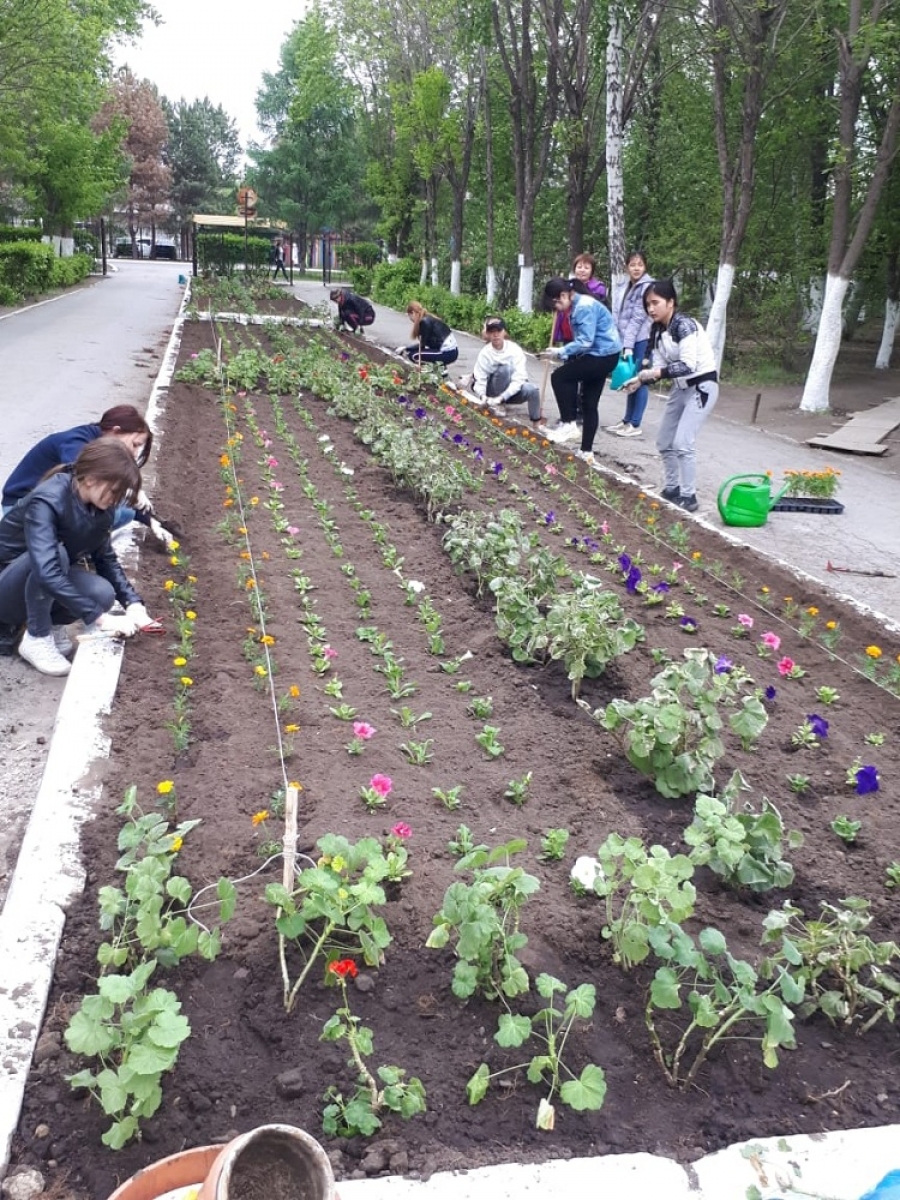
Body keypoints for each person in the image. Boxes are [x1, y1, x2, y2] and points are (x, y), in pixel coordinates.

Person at [0, 440, 159, 675]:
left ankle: (51, 626)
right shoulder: (47, 501)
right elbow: (46, 570)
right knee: (57, 555)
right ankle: (37, 636)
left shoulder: (99, 507)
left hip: (34, 582)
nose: (116, 500)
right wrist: (99, 618)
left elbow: (105, 558)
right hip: (6, 587)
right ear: (91, 478)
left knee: (101, 593)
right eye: (115, 491)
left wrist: (133, 604)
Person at [623, 278, 718, 512]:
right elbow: (660, 366)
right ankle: (672, 488)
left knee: (683, 443)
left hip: (702, 386)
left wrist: (654, 372)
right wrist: (639, 380)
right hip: (680, 388)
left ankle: (689, 496)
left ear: (671, 302)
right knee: (665, 441)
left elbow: (687, 364)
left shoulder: (685, 326)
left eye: (655, 302)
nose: (651, 309)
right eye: (648, 304)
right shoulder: (658, 331)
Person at [2, 405, 153, 526]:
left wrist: (148, 519)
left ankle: (78, 546)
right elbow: (90, 474)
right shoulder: (76, 442)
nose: (135, 453)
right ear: (116, 431)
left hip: (47, 504)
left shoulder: (96, 441)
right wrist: (131, 491)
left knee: (124, 512)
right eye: (135, 445)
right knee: (111, 514)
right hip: (19, 506)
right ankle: (71, 548)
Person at [539, 278, 622, 465]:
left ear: (563, 295)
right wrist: (566, 355)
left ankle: (568, 423)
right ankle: (586, 451)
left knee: (560, 377)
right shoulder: (578, 304)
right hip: (607, 354)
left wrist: (560, 352)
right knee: (589, 403)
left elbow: (585, 341)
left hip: (601, 354)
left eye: (557, 304)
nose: (558, 309)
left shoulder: (583, 307)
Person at [608, 250, 654, 438]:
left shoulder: (647, 287)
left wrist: (628, 345)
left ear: (645, 267)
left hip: (641, 340)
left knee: (640, 379)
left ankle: (635, 423)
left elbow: (637, 318)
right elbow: (617, 314)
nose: (636, 268)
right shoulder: (624, 285)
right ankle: (626, 420)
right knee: (629, 379)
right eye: (633, 265)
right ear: (627, 267)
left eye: (640, 265)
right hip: (625, 339)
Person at [471, 317, 542, 426]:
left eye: (498, 331)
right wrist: (482, 395)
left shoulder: (515, 350)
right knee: (503, 369)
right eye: (492, 332)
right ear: (488, 334)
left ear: (504, 332)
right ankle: (497, 405)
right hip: (492, 393)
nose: (495, 335)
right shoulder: (485, 353)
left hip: (511, 392)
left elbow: (519, 378)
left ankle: (537, 423)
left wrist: (503, 397)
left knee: (533, 390)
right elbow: (479, 377)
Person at [396, 301, 459, 374]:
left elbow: (422, 345)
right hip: (451, 351)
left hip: (447, 352)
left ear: (413, 313)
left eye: (409, 316)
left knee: (413, 355)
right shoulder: (429, 318)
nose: (410, 319)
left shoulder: (424, 322)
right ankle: (440, 369)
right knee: (416, 353)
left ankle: (438, 370)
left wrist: (405, 348)